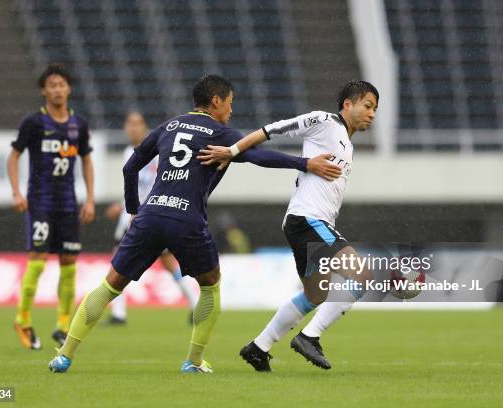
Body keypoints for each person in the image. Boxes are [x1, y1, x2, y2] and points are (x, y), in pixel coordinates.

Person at [48, 74, 341, 373]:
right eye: (229, 103)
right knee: (210, 286)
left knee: (110, 285)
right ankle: (194, 361)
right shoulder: (221, 133)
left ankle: (64, 355)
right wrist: (305, 163)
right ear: (216, 101)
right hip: (186, 218)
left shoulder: (169, 126)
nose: (230, 110)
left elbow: (130, 166)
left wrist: (134, 210)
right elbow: (260, 156)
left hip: (150, 215)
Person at [199, 80, 379, 371]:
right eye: (367, 106)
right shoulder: (323, 121)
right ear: (348, 104)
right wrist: (232, 151)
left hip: (307, 222)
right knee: (362, 275)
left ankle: (258, 347)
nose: (372, 113)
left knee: (316, 294)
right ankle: (309, 337)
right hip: (309, 219)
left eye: (375, 109)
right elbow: (270, 130)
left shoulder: (346, 141)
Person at [7, 63, 95, 350]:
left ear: (69, 88)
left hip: (68, 205)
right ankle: (23, 319)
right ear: (44, 91)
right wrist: (17, 193)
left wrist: (90, 199)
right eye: (52, 85)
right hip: (41, 202)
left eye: (62, 84)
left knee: (69, 266)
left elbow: (86, 160)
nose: (57, 89)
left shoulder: (78, 125)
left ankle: (62, 325)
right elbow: (13, 157)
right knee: (37, 259)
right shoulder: (34, 123)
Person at [105, 111, 197, 324]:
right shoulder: (128, 151)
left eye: (138, 124)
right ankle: (194, 302)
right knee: (164, 261)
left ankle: (119, 313)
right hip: (133, 214)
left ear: (145, 127)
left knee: (120, 261)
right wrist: (121, 205)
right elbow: (136, 186)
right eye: (129, 124)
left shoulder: (157, 150)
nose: (133, 128)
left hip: (150, 214)